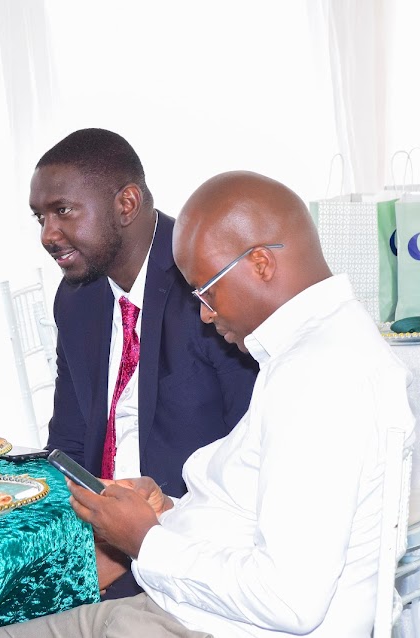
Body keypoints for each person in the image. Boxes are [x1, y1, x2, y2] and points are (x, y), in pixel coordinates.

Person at [0, 171, 415, 637]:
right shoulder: (320, 344)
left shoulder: (318, 375)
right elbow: (255, 514)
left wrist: (145, 541)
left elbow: (290, 600)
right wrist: (167, 511)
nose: (205, 314)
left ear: (261, 264)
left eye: (207, 291)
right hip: (184, 608)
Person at [29, 129, 259, 598]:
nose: (47, 234)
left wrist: (145, 541)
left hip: (195, 549)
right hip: (101, 538)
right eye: (40, 217)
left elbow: (253, 449)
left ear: (126, 204)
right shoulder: (77, 298)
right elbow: (69, 439)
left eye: (62, 211)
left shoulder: (209, 280)